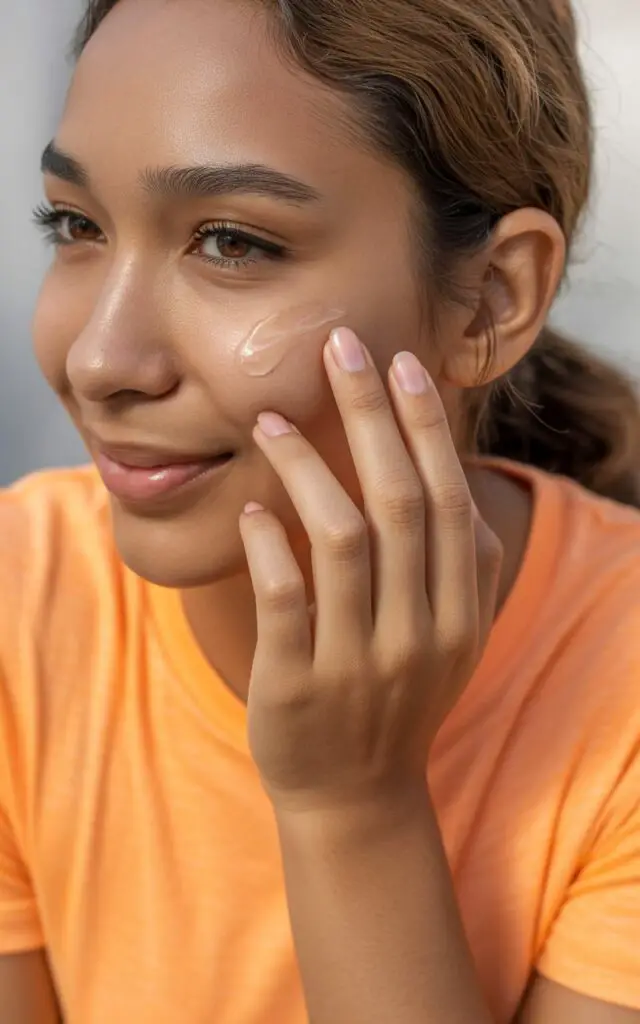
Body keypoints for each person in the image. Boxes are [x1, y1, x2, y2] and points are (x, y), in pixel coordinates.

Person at [1, 0, 639, 1020]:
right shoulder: (19, 601)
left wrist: (353, 808)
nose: (99, 360)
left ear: (491, 296)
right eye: (77, 225)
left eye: (232, 242)